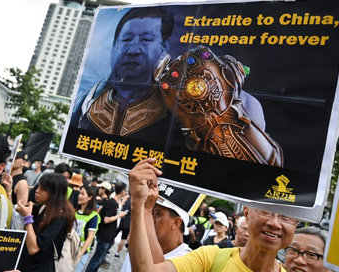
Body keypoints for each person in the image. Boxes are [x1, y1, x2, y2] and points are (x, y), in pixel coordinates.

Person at [70, 7, 283, 167]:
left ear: (164, 46)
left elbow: (257, 171)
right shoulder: (87, 99)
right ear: (115, 46)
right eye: (125, 39)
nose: (133, 49)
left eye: (146, 39)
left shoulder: (199, 90)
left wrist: (216, 111)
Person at [128, 158, 298, 272]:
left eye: (286, 216)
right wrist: (139, 205)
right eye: (266, 211)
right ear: (246, 212)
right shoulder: (210, 258)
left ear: (296, 225)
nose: (275, 223)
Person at [121, 189, 191, 272]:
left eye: (158, 213)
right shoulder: (140, 243)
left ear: (176, 222)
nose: (151, 220)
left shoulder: (187, 260)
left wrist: (145, 210)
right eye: (151, 213)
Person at [17, 173, 76, 272]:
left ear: (53, 193)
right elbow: (18, 208)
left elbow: (33, 249)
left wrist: (28, 218)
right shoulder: (43, 207)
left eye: (42, 189)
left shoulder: (61, 216)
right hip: (27, 265)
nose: (36, 191)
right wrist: (9, 190)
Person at [85, 182, 128, 272]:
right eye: (125, 190)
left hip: (109, 236)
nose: (126, 192)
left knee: (99, 260)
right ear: (122, 191)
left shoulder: (115, 202)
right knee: (97, 260)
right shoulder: (112, 202)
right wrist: (119, 216)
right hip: (105, 235)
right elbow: (106, 219)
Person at [74, 185, 100, 272]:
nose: (79, 196)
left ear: (89, 197)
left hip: (81, 251)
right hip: (69, 248)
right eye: (79, 193)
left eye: (82, 194)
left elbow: (90, 237)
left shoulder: (93, 216)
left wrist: (80, 254)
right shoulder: (74, 211)